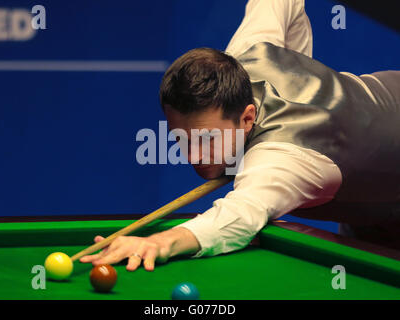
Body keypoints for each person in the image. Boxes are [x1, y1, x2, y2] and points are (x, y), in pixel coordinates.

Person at [80, 0, 400, 271]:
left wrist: (160, 243)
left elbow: (237, 218)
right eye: (181, 139)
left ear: (247, 118)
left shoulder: (282, 158)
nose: (193, 157)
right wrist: (301, 61)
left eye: (206, 140)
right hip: (372, 195)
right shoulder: (245, 56)